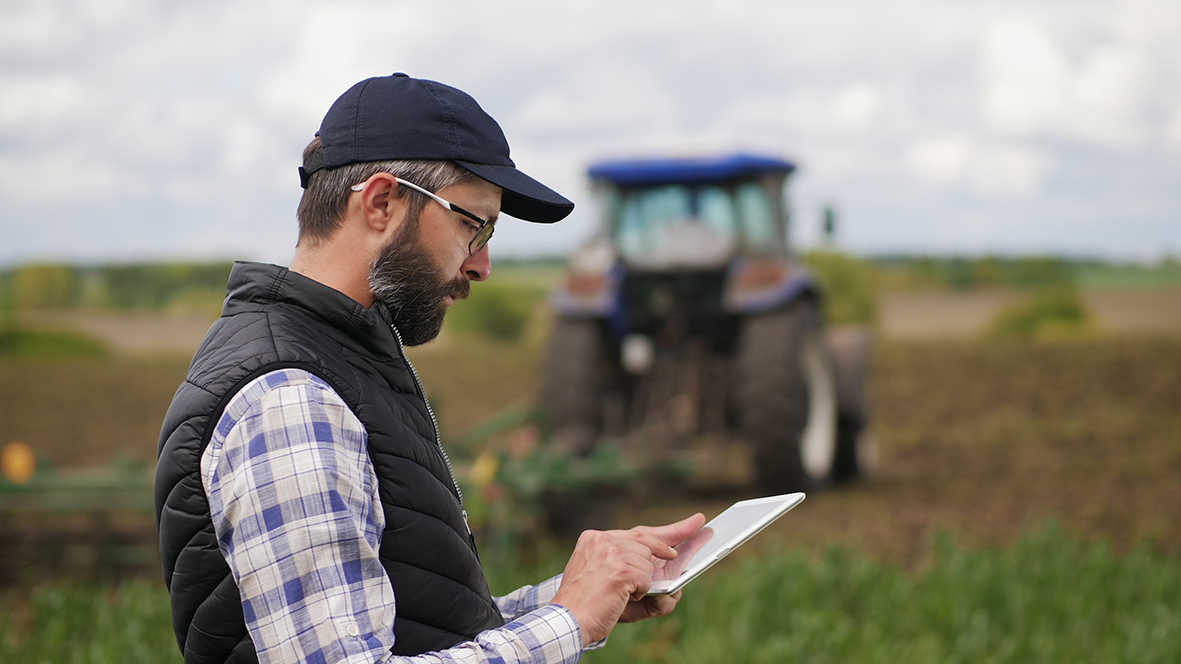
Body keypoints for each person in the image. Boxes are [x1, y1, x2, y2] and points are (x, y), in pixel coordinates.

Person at [154, 72, 705, 664]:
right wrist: (568, 623)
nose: (483, 265)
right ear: (382, 203)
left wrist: (581, 598)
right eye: (474, 225)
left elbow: (408, 626)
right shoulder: (291, 399)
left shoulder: (342, 365)